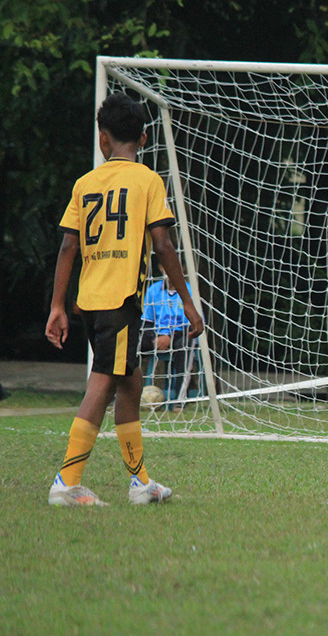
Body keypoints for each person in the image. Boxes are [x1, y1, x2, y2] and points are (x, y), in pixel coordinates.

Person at [45, 92, 204, 507]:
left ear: (103, 140)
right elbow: (163, 244)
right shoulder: (148, 180)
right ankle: (66, 482)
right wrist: (187, 301)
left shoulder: (85, 183)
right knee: (104, 380)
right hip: (121, 299)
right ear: (146, 138)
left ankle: (140, 484)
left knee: (130, 383)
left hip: (90, 298)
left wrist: (57, 305)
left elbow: (67, 248)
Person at [142, 261, 199, 405]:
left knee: (184, 347)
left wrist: (168, 336)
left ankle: (180, 398)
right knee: (132, 344)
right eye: (166, 267)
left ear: (183, 270)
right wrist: (156, 338)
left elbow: (194, 323)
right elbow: (146, 321)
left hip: (182, 334)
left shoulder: (190, 291)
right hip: (156, 335)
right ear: (161, 268)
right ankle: (125, 394)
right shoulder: (153, 290)